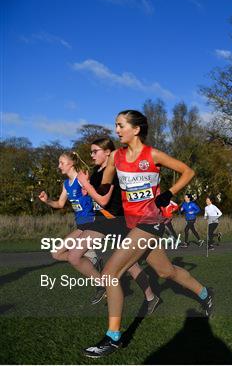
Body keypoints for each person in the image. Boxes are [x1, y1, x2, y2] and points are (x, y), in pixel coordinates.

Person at [83, 110, 213, 358]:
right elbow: (104, 188)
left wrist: (169, 193)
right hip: (131, 225)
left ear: (136, 129)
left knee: (110, 273)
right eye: (116, 126)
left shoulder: (152, 154)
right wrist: (87, 184)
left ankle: (113, 338)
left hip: (151, 221)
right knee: (166, 271)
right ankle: (205, 294)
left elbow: (187, 171)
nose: (117, 130)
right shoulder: (116, 157)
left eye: (121, 125)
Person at [77, 138, 160, 311]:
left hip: (116, 221)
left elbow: (105, 200)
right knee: (74, 254)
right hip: (102, 221)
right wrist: (86, 189)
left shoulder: (113, 171)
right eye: (91, 152)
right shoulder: (96, 172)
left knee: (132, 266)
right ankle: (105, 283)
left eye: (95, 151)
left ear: (108, 152)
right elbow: (96, 196)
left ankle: (146, 296)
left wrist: (87, 185)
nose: (91, 155)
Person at [38, 152, 102, 301]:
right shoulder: (66, 184)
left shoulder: (82, 176)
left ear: (71, 163)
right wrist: (47, 201)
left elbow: (99, 192)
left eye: (61, 162)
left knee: (74, 256)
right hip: (81, 226)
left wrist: (90, 189)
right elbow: (60, 204)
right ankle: (93, 261)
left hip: (93, 224)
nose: (59, 165)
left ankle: (101, 283)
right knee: (56, 253)